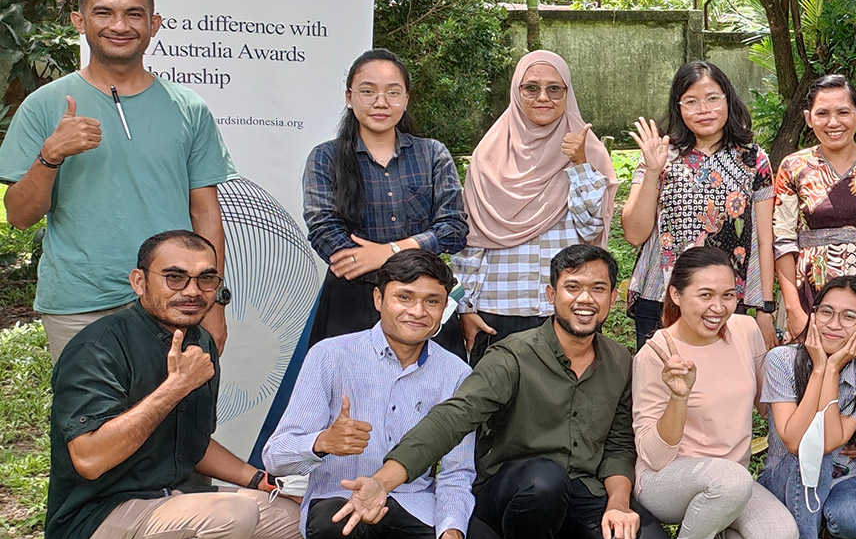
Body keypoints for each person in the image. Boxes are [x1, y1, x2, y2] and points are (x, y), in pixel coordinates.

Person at [328, 244, 676, 539]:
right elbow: (453, 417)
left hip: (580, 491)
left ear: (612, 297)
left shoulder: (619, 360)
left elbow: (617, 444)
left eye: (597, 289)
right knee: (545, 480)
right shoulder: (513, 356)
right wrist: (383, 480)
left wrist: (618, 503)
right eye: (572, 287)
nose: (584, 299)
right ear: (551, 295)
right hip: (512, 491)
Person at [44, 230, 304, 539]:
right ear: (139, 281)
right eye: (175, 277)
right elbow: (89, 459)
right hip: (93, 527)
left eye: (206, 279)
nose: (192, 291)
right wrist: (174, 387)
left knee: (306, 526)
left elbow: (194, 443)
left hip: (170, 508)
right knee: (231, 514)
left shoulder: (199, 342)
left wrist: (263, 479)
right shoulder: (98, 347)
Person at [0, 0, 235, 361]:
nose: (119, 26)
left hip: (174, 298)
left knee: (174, 419)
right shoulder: (46, 105)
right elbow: (21, 216)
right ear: (80, 22)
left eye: (134, 14)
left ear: (154, 24)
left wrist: (215, 301)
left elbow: (206, 211)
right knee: (88, 421)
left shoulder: (188, 108)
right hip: (79, 303)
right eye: (104, 13)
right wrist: (51, 156)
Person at [263, 251, 486, 539]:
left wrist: (451, 536)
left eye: (432, 301)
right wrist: (322, 442)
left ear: (443, 309)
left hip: (414, 503)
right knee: (329, 524)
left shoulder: (456, 373)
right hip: (344, 503)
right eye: (405, 297)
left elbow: (456, 472)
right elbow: (276, 457)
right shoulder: (330, 356)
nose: (418, 311)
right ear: (379, 299)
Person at [632, 246, 796, 539]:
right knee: (730, 479)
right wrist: (679, 397)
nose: (718, 308)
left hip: (729, 482)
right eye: (704, 295)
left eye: (727, 295)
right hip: (666, 481)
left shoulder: (745, 329)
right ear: (676, 294)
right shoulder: (656, 354)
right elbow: (654, 455)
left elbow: (767, 407)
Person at [302, 48, 467, 354]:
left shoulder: (432, 154)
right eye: (368, 91)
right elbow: (325, 232)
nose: (381, 102)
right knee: (347, 397)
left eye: (393, 92)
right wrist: (390, 262)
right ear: (349, 97)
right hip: (352, 302)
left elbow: (453, 229)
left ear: (406, 99)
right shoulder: (325, 158)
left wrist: (388, 254)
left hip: (423, 298)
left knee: (436, 395)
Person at [454, 51, 615, 363]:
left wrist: (580, 163)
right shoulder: (488, 155)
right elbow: (470, 240)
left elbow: (592, 229)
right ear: (517, 91)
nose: (544, 97)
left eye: (555, 89)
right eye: (532, 88)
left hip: (562, 312)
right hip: (497, 308)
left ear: (567, 93)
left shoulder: (586, 147)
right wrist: (466, 307)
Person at [622, 62, 775, 349]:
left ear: (728, 99)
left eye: (713, 98)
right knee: (662, 387)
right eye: (691, 101)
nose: (703, 109)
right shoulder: (660, 155)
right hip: (661, 297)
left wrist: (765, 307)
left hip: (725, 303)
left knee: (721, 389)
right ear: (678, 107)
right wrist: (653, 171)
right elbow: (634, 234)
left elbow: (765, 241)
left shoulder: (754, 161)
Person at [758, 276, 856, 539]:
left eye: (849, 317)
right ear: (813, 315)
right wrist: (818, 369)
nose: (834, 324)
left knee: (853, 521)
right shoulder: (782, 360)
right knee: (811, 449)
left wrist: (832, 369)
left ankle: (829, 536)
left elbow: (832, 438)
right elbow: (792, 440)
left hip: (840, 476)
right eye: (826, 312)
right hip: (783, 477)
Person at [772, 74, 856, 344]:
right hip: (807, 288)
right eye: (822, 113)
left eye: (843, 112)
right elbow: (782, 240)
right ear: (809, 118)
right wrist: (792, 307)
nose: (833, 122)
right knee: (805, 374)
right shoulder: (794, 166)